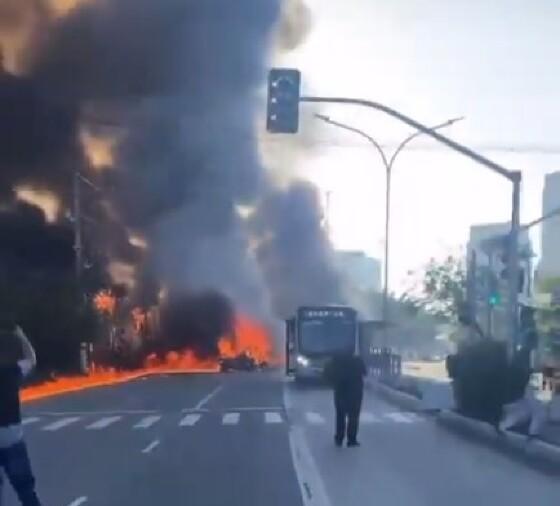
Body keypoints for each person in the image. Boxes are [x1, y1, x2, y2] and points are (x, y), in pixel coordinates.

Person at [0, 317, 42, 506]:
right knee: (26, 491)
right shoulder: (11, 371)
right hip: (12, 439)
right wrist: (19, 333)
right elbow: (31, 359)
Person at [324, 351, 367, 447]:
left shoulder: (335, 360)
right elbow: (364, 372)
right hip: (355, 393)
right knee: (353, 417)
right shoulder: (357, 360)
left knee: (340, 416)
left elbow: (327, 374)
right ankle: (351, 440)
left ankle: (339, 438)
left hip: (340, 392)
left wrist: (333, 383)